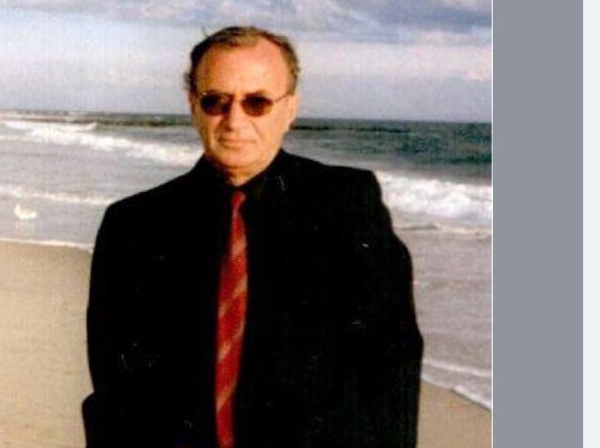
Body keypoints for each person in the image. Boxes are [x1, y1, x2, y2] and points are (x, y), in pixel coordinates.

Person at [83, 26, 423, 448]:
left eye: (257, 102)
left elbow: (390, 362)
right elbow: (112, 387)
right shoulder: (133, 224)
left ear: (290, 108)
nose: (234, 120)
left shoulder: (347, 205)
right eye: (216, 101)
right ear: (193, 105)